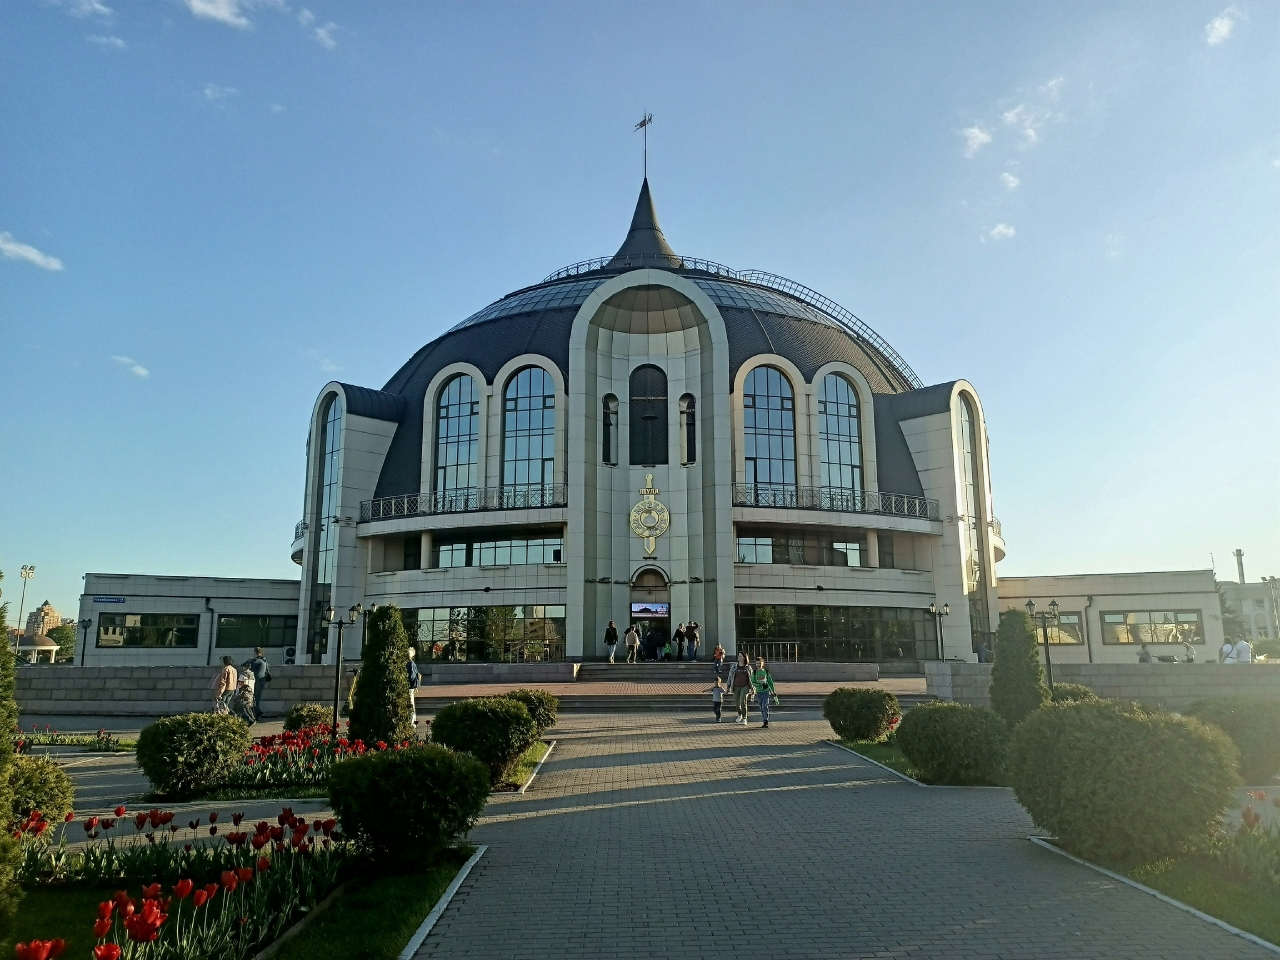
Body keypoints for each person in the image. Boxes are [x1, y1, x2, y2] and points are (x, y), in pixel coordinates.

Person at [242, 647, 271, 720]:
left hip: (256, 681)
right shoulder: (264, 660)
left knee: (254, 698)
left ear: (255, 652)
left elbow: (245, 665)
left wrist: (249, 661)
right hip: (262, 681)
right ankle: (256, 712)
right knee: (257, 697)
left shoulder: (256, 661)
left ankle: (257, 712)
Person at [751, 656, 778, 729]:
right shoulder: (754, 673)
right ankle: (764, 718)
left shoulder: (766, 672)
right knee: (761, 707)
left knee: (764, 706)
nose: (758, 665)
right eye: (757, 663)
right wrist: (757, 685)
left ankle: (765, 721)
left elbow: (770, 682)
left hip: (766, 691)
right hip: (759, 692)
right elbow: (752, 682)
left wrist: (773, 691)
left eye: (760, 663)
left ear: (763, 664)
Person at [726, 653, 753, 725]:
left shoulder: (748, 667)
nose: (738, 657)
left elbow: (752, 678)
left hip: (745, 686)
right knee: (737, 703)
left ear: (744, 658)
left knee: (742, 702)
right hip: (736, 686)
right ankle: (739, 714)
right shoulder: (734, 666)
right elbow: (730, 677)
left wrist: (753, 688)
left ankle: (744, 718)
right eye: (738, 656)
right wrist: (728, 687)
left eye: (740, 656)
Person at [407, 646, 421, 727]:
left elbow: (412, 676)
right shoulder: (410, 663)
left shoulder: (410, 663)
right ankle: (412, 722)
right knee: (411, 704)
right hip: (410, 687)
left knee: (410, 704)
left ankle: (412, 722)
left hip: (409, 687)